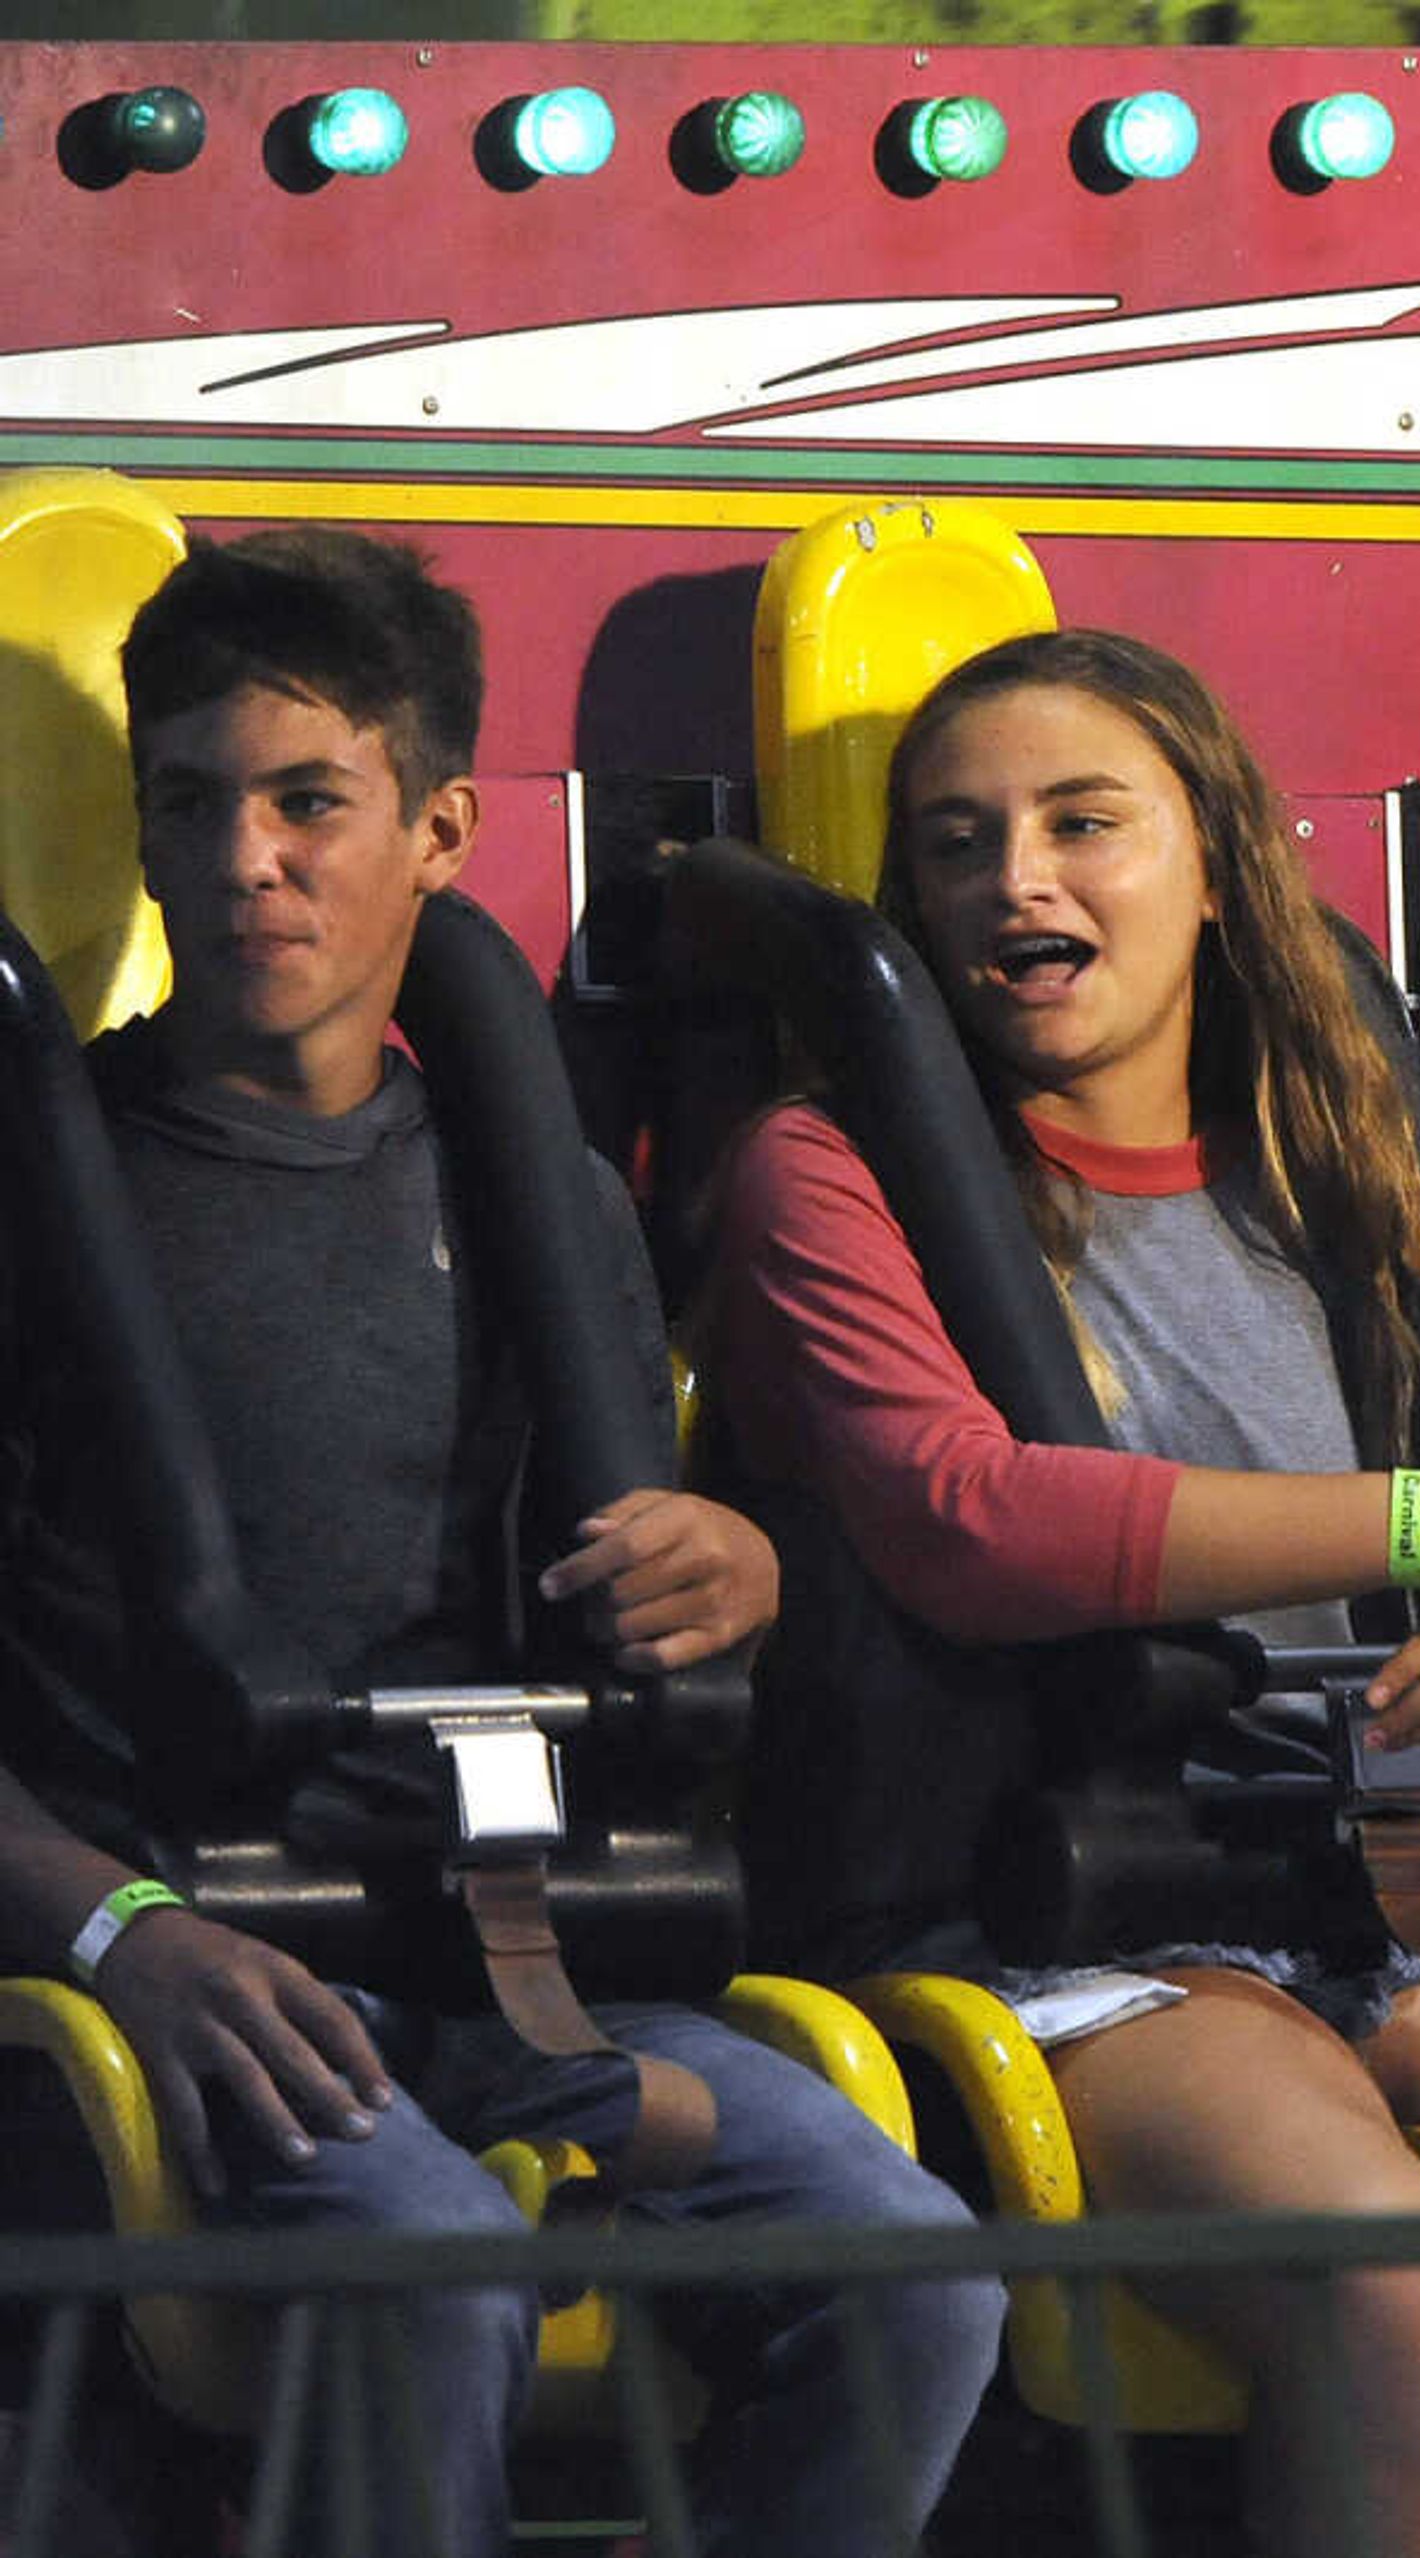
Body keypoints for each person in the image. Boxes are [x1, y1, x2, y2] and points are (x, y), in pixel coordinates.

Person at [702, 626, 1420, 2558]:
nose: (1018, 880)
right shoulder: (830, 1169)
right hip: (1061, 1901)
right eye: (961, 843)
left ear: (1215, 861)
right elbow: (962, 1515)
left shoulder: (1343, 1165)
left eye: (1083, 822)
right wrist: (1415, 1530)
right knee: (1375, 2266)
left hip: (1404, 1888)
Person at [0, 527, 1004, 2558]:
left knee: (916, 2267)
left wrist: (747, 1562)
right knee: (432, 2263)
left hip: (530, 1964)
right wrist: (124, 1936)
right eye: (189, 806)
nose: (244, 863)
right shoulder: (47, 1198)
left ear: (444, 828)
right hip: (192, 1973)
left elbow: (673, 1563)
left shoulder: (544, 1207)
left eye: (307, 803)